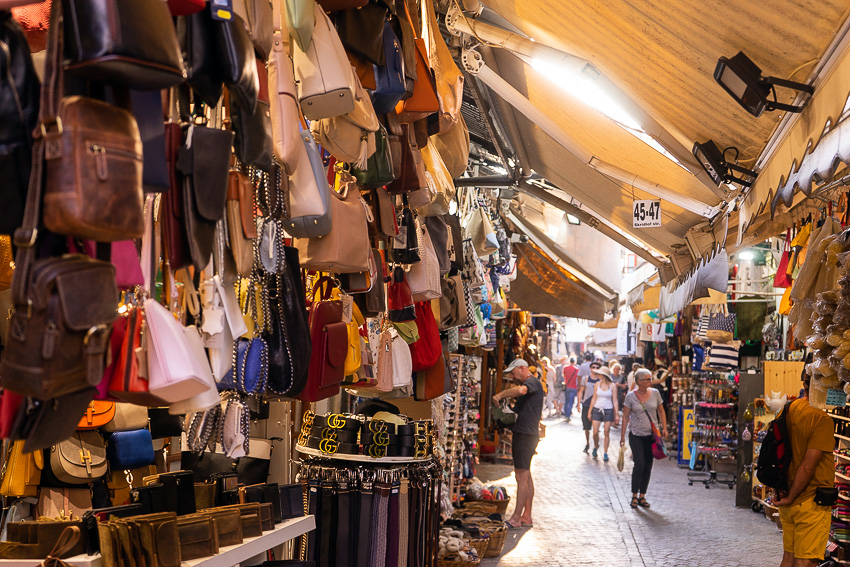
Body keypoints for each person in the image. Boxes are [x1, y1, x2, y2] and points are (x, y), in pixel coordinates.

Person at [774, 373, 835, 567]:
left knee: (788, 558)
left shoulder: (788, 409)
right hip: (810, 501)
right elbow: (809, 465)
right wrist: (793, 496)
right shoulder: (821, 419)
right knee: (805, 562)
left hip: (788, 499)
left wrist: (787, 496)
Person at [492, 359, 543, 529]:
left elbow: (521, 390)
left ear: (522, 368)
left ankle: (516, 518)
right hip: (527, 433)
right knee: (526, 475)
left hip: (525, 435)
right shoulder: (532, 384)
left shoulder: (532, 382)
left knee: (521, 476)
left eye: (513, 372)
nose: (512, 376)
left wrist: (500, 395)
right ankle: (526, 516)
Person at [620, 368, 668, 509]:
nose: (650, 381)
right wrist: (622, 436)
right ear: (639, 382)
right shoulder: (630, 396)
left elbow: (661, 411)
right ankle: (634, 495)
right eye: (647, 379)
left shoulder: (655, 393)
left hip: (652, 436)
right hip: (636, 435)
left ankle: (642, 496)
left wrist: (664, 428)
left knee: (648, 465)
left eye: (650, 378)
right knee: (639, 463)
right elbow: (625, 417)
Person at [588, 366, 619, 460]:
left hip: (608, 410)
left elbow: (615, 401)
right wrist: (590, 411)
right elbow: (594, 398)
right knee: (595, 432)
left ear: (604, 375)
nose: (598, 375)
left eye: (600, 374)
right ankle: (596, 445)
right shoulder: (597, 384)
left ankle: (605, 452)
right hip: (597, 409)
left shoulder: (612, 386)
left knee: (606, 432)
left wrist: (616, 414)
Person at [577, 360, 602, 453]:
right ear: (590, 368)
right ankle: (587, 443)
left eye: (597, 367)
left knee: (596, 429)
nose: (595, 369)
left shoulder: (601, 380)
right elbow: (581, 391)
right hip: (586, 404)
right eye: (593, 367)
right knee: (586, 427)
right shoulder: (586, 378)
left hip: (597, 406)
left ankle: (596, 445)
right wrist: (579, 403)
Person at [562, 357, 580, 421]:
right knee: (571, 401)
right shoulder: (577, 370)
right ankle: (568, 415)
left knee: (567, 401)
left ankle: (566, 414)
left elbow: (564, 376)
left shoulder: (565, 368)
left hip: (567, 386)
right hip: (574, 387)